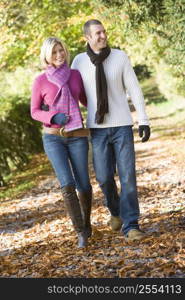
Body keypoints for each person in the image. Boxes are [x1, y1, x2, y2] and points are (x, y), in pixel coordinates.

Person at [71, 19, 151, 242]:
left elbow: (134, 87)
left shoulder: (120, 57)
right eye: (97, 33)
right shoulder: (78, 62)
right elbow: (72, 94)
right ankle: (116, 211)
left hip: (122, 126)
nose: (103, 36)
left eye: (104, 31)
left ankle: (131, 224)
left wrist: (143, 119)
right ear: (87, 37)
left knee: (127, 177)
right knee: (105, 178)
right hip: (97, 129)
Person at [31, 37, 92, 248]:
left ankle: (87, 222)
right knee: (67, 184)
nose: (59, 55)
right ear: (47, 55)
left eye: (61, 51)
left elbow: (86, 100)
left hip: (77, 135)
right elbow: (34, 111)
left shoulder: (75, 76)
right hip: (53, 138)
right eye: (54, 52)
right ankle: (81, 232)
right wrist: (52, 117)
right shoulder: (40, 80)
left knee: (84, 184)